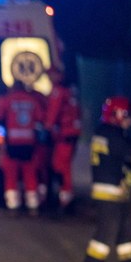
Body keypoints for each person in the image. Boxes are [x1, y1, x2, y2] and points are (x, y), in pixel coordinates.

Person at [83, 96, 131, 262]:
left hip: (112, 189)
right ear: (117, 115)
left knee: (125, 232)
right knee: (107, 231)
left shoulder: (103, 132)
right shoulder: (114, 135)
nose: (129, 119)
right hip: (111, 190)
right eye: (127, 115)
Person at [0, 80, 46, 215]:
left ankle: (13, 205)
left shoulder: (7, 99)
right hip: (29, 143)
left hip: (12, 142)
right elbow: (40, 119)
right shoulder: (32, 100)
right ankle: (32, 204)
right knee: (30, 173)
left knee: (11, 174)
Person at [44, 67, 82, 212]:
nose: (49, 78)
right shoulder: (70, 91)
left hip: (64, 135)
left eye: (51, 75)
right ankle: (65, 196)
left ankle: (65, 199)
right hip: (71, 134)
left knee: (60, 166)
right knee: (63, 166)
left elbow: (52, 114)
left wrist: (47, 128)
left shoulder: (58, 91)